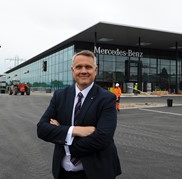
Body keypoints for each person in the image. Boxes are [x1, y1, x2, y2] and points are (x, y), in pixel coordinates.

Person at [37, 50, 121, 179]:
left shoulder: (107, 98)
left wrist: (62, 134)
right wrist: (74, 130)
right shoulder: (60, 96)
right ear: (72, 70)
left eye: (88, 67)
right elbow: (42, 129)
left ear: (96, 70)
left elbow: (102, 138)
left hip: (96, 173)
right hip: (63, 173)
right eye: (79, 67)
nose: (83, 71)